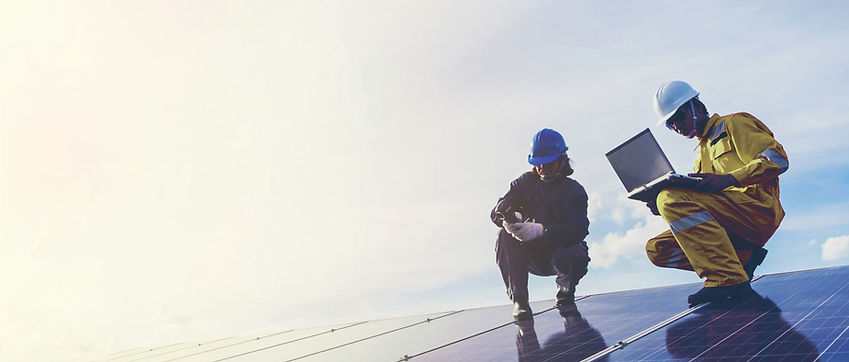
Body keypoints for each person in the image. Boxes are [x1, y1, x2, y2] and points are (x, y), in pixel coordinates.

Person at [645, 81, 788, 307]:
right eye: (670, 124)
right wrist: (661, 205)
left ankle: (726, 279)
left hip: (757, 210)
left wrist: (731, 178)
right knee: (657, 249)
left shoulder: (734, 123)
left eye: (679, 117)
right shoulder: (700, 155)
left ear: (697, 107)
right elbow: (698, 207)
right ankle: (741, 260)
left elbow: (777, 160)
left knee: (670, 198)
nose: (676, 126)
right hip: (729, 220)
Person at [491, 128, 591, 320]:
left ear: (562, 159)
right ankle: (520, 302)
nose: (543, 168)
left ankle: (565, 295)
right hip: (531, 257)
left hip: (560, 256)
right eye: (538, 164)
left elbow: (579, 228)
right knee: (503, 236)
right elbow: (496, 212)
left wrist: (542, 231)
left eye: (549, 163)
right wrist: (504, 215)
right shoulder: (523, 183)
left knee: (575, 252)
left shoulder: (574, 191)